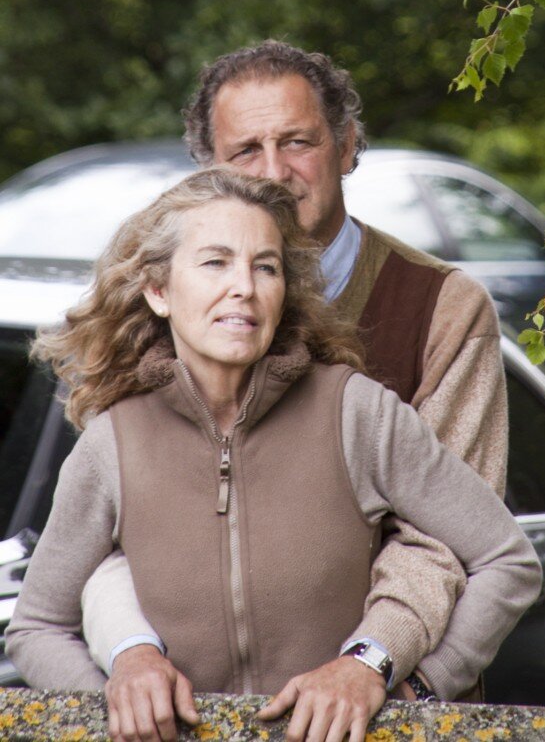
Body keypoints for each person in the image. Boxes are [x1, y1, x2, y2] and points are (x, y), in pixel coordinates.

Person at [6, 169, 542, 742]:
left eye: (265, 267)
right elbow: (36, 627)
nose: (244, 286)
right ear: (158, 291)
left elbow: (507, 562)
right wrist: (117, 700)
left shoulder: (357, 413)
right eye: (216, 262)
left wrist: (412, 687)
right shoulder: (112, 442)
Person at [81, 42, 511, 725]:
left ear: (347, 146)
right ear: (210, 169)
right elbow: (106, 534)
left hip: (384, 709)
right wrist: (131, 654)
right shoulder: (169, 307)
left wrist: (382, 672)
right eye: (246, 150)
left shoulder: (441, 308)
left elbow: (448, 540)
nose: (275, 172)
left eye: (298, 142)